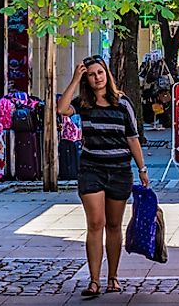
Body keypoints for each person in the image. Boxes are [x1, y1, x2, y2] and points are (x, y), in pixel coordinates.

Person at [56, 56, 148, 298]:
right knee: (96, 222)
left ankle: (113, 277)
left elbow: (132, 137)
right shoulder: (84, 103)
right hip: (91, 169)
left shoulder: (122, 103)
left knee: (114, 225)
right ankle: (94, 280)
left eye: (100, 73)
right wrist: (75, 78)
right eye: (91, 74)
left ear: (107, 74)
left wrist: (142, 169)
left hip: (119, 171)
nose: (97, 78)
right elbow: (61, 109)